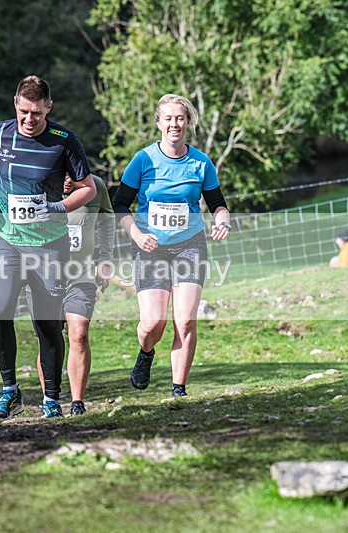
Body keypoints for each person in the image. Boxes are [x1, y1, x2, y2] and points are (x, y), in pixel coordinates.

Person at [0, 75, 97, 420]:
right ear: (15, 104)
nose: (29, 119)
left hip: (50, 244)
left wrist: (58, 207)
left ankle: (51, 399)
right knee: (0, 309)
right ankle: (9, 391)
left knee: (47, 324)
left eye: (36, 113)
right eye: (24, 112)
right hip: (6, 239)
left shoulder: (64, 141)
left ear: (48, 108)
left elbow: (88, 189)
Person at [112, 93, 230, 398]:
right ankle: (146, 352)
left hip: (190, 244)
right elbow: (120, 205)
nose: (174, 124)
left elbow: (218, 204)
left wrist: (222, 221)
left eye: (180, 118)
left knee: (186, 320)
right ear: (159, 122)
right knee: (154, 323)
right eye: (169, 118)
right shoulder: (143, 160)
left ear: (187, 122)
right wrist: (137, 235)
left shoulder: (201, 163)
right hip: (150, 247)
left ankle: (179, 389)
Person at [34, 174, 114, 415]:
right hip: (43, 276)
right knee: (48, 337)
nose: (66, 182)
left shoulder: (94, 186)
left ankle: (78, 403)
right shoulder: (36, 184)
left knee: (78, 333)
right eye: (63, 176)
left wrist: (105, 258)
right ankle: (51, 400)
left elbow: (106, 219)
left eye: (72, 176)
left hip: (81, 274)